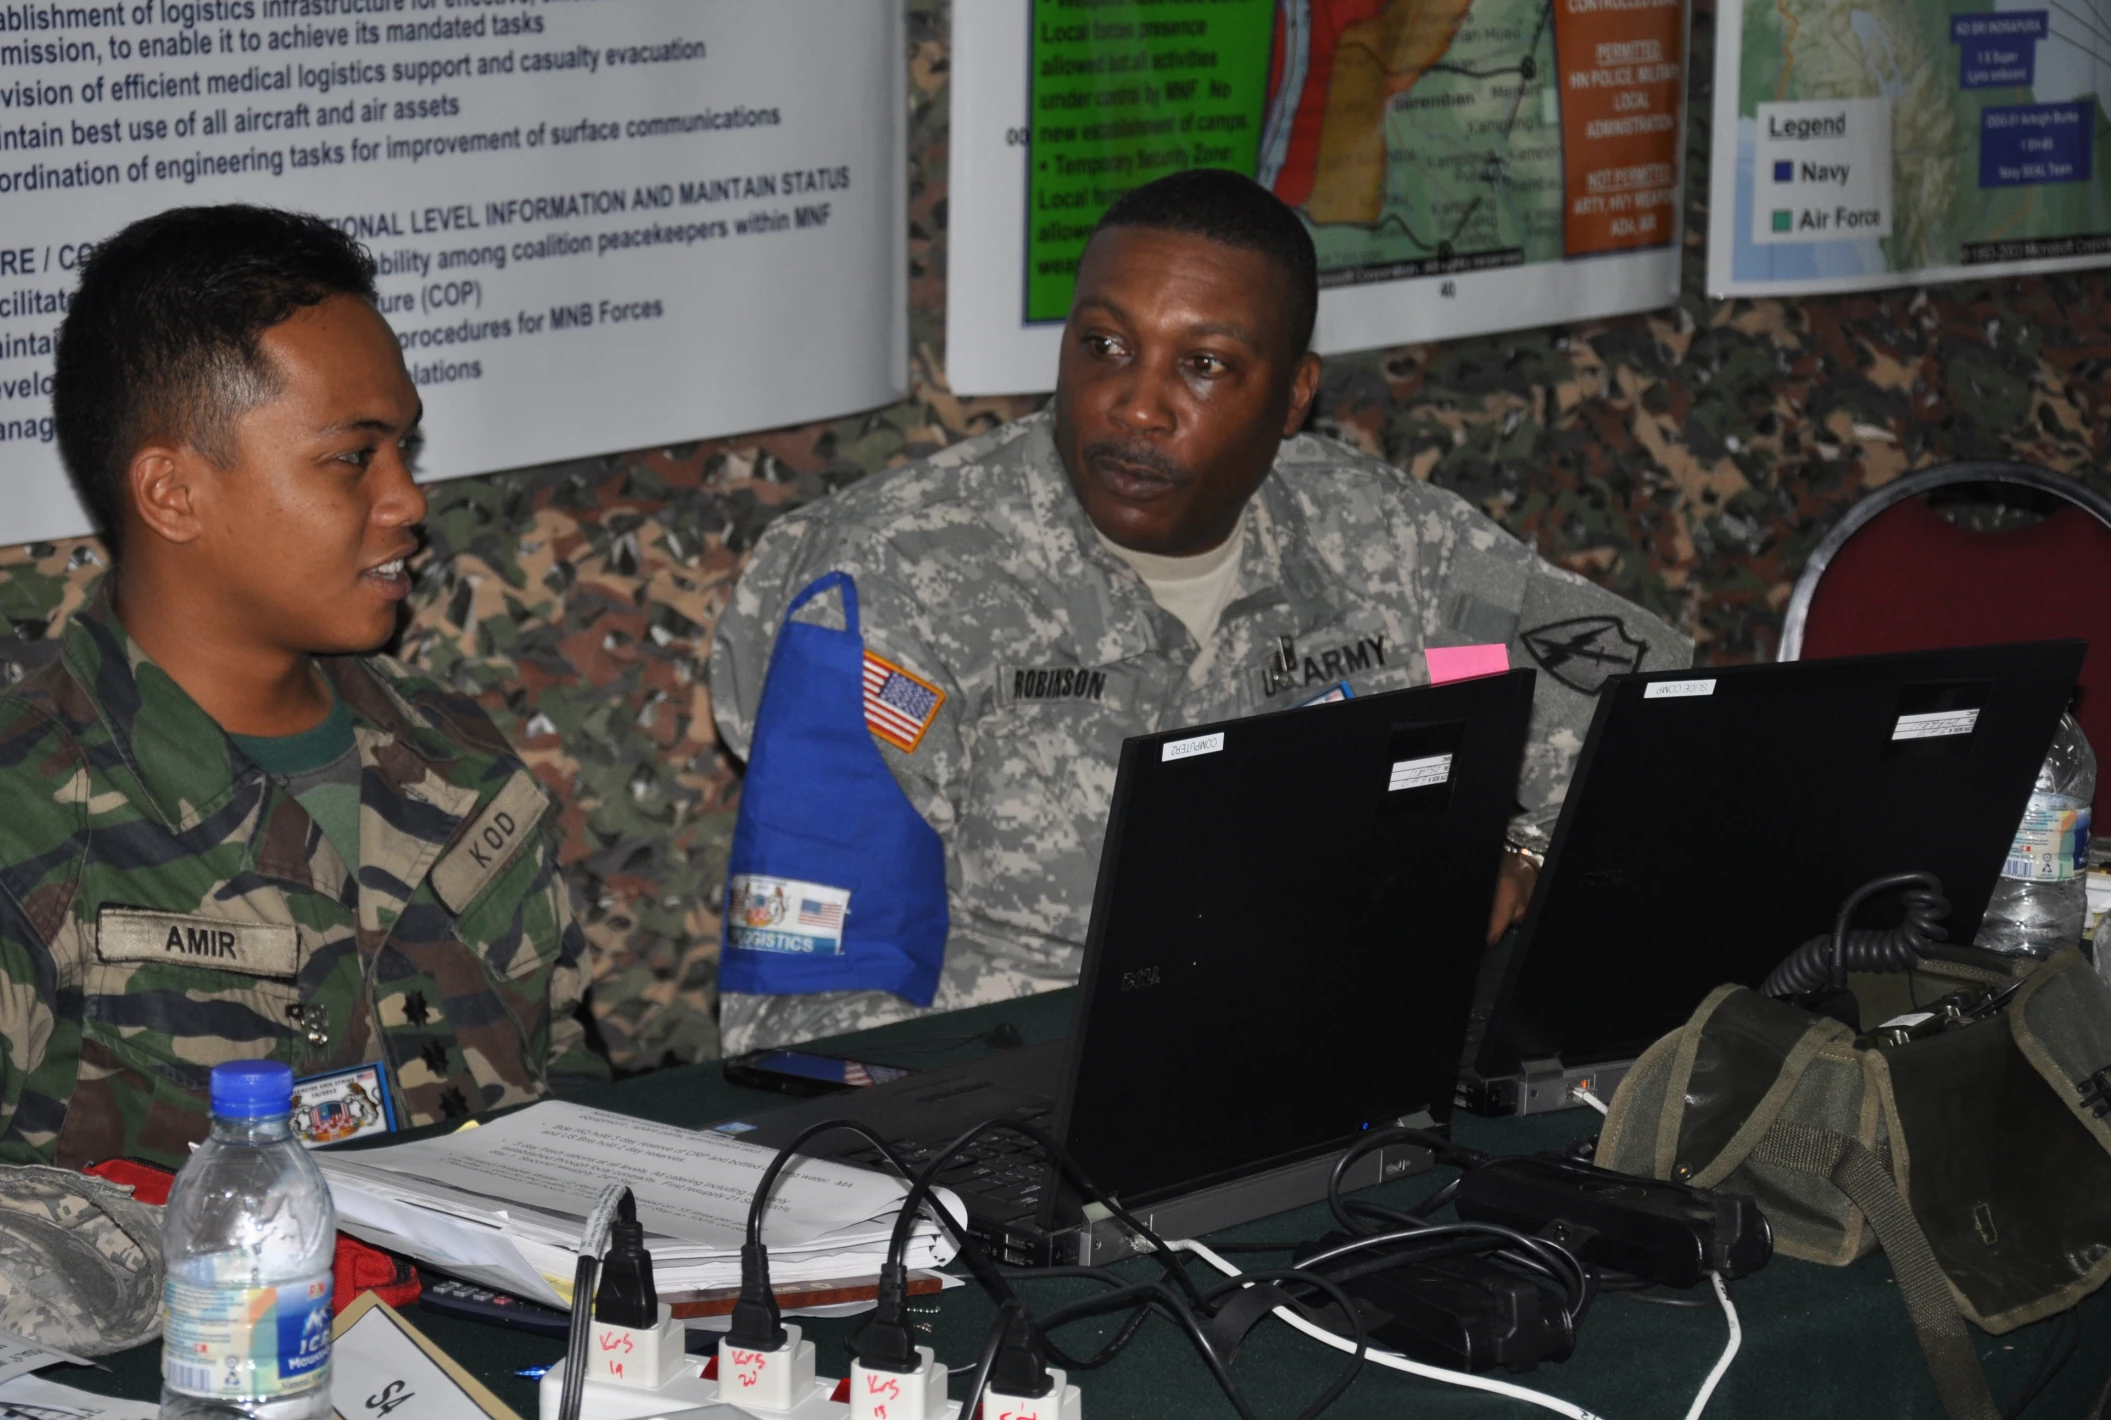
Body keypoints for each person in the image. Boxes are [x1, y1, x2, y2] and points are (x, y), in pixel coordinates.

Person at [709, 169, 1690, 1054]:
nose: (1136, 405)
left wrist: (1517, 849)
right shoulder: (900, 573)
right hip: (1019, 1112)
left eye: (1204, 364)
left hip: (1341, 1078)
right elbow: (805, 1019)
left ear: (1295, 394)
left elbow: (1660, 733)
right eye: (1105, 345)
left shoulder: (1386, 542)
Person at [0, 205, 597, 1243]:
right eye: (354, 457)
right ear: (172, 492)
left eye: (405, 449)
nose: (406, 499)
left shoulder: (463, 765)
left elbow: (577, 1122)